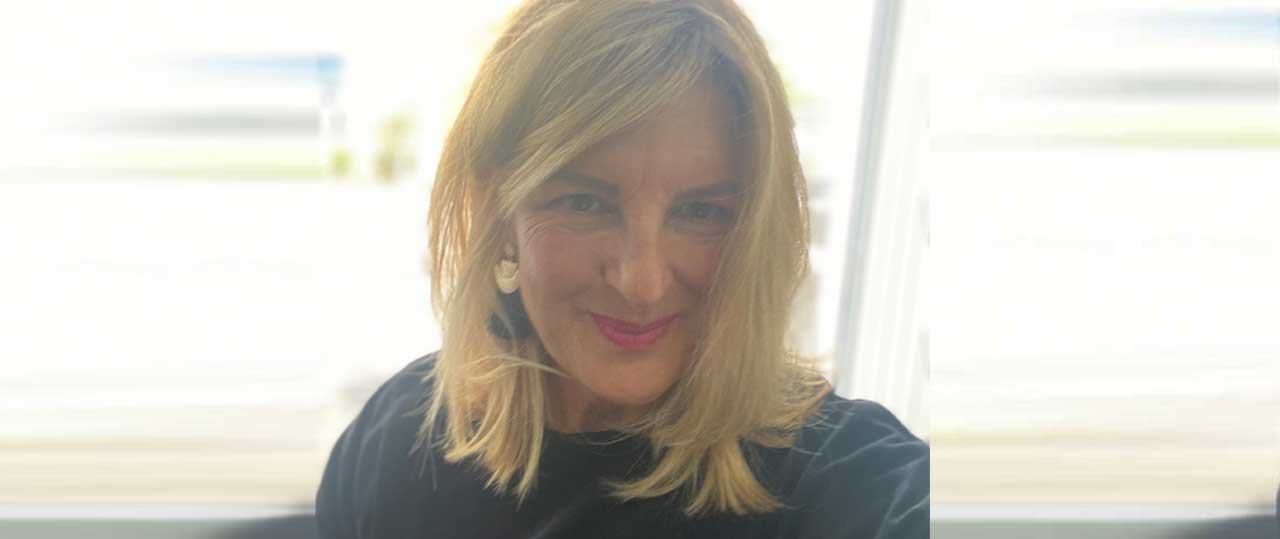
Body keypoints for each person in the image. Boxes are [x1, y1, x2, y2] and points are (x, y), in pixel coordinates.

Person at [315, 0, 928, 537]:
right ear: (497, 211)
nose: (643, 282)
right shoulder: (394, 440)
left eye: (700, 211)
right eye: (584, 203)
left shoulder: (841, 479)